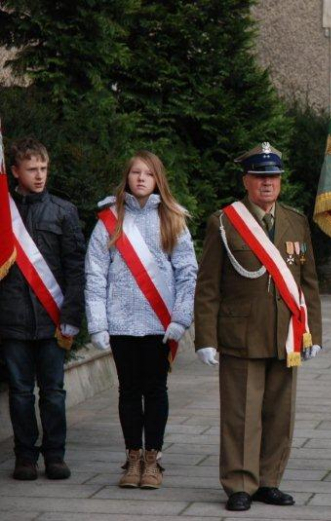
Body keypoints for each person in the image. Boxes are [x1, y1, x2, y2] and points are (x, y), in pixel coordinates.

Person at [194, 142, 323, 512]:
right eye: (260, 177)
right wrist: (206, 337)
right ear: (246, 180)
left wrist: (314, 330)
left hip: (286, 333)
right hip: (241, 333)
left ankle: (269, 481)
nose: (267, 183)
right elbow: (209, 285)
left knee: (280, 413)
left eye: (273, 177)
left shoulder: (296, 221)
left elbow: (308, 281)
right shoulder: (224, 222)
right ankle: (239, 483)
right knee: (241, 413)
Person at [85, 150, 197, 489]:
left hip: (159, 323)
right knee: (128, 392)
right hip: (120, 322)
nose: (141, 178)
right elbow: (94, 273)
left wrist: (180, 318)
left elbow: (188, 273)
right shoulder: (110, 219)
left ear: (158, 178)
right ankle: (132, 457)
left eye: (148, 173)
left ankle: (153, 459)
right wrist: (98, 323)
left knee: (156, 390)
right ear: (127, 177)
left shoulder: (173, 218)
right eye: (135, 173)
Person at [0, 137, 85, 480]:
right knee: (20, 392)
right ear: (15, 171)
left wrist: (71, 316)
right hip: (13, 318)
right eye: (31, 169)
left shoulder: (64, 211)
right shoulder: (4, 213)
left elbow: (75, 268)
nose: (39, 176)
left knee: (53, 392)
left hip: (52, 318)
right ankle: (24, 455)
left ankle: (54, 454)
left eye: (43, 169)